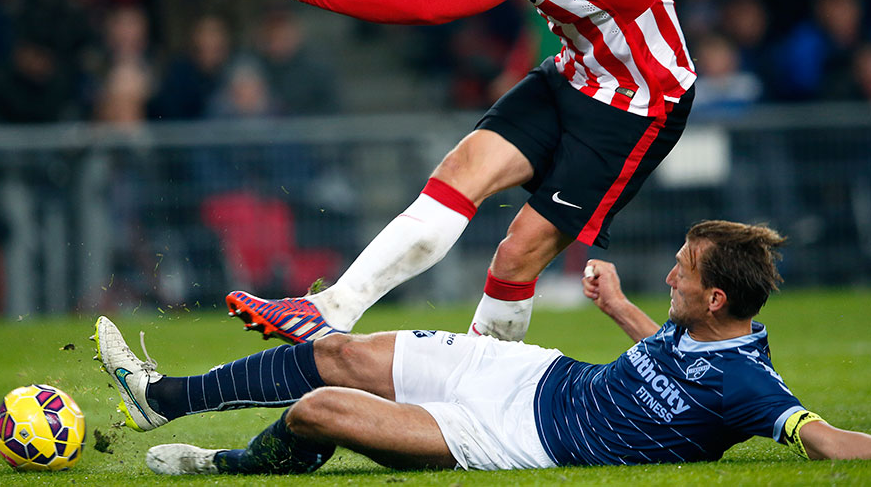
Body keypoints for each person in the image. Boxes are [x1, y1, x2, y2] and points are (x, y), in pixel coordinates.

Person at [227, 0, 709, 343]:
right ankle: (328, 310)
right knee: (459, 171)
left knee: (517, 253)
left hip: (641, 105)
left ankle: (485, 393)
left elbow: (436, 3)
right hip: (576, 74)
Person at [94, 220, 871, 474]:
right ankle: (160, 397)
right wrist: (619, 308)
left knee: (319, 407)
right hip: (528, 371)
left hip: (515, 436)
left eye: (683, 270)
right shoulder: (698, 324)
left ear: (717, 300)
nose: (670, 271)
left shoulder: (751, 384)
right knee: (339, 351)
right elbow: (667, 356)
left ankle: (222, 466)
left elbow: (828, 441)